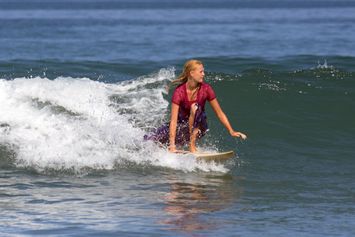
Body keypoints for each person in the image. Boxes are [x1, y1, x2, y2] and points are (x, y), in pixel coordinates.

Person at [144, 59, 247, 153]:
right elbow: (174, 121)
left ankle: (192, 145)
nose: (203, 74)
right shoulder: (179, 92)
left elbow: (219, 113)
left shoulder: (206, 89)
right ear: (192, 73)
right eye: (201, 72)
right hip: (182, 126)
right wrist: (172, 145)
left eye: (203, 71)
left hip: (199, 126)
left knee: (195, 108)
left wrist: (231, 130)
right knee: (150, 140)